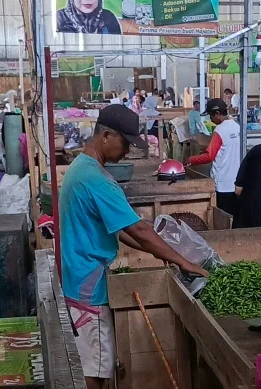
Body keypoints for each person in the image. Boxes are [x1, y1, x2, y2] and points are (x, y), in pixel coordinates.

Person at [59, 104, 208, 389]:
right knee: (96, 369)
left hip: (79, 279)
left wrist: (157, 249)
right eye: (125, 143)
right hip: (89, 288)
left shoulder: (81, 167)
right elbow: (138, 229)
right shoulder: (96, 180)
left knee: (96, 362)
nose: (127, 151)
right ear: (105, 136)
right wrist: (183, 262)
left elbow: (119, 230)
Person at [187, 98, 241, 216]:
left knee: (222, 218)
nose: (210, 120)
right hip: (237, 183)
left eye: (211, 116)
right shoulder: (238, 128)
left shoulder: (220, 130)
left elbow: (209, 156)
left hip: (222, 184)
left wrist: (191, 160)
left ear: (217, 114)